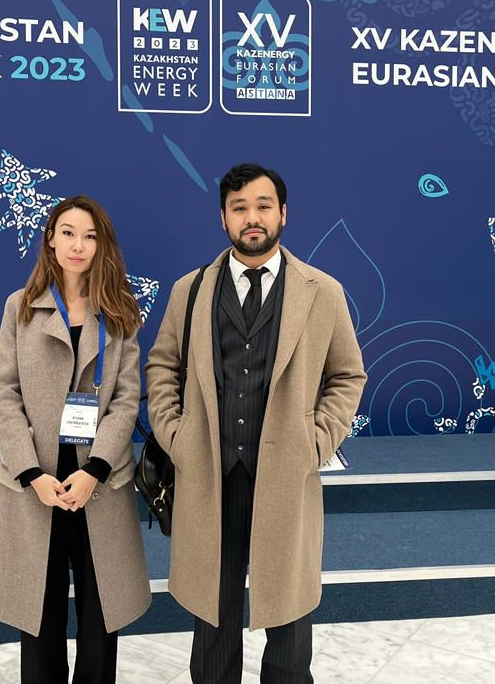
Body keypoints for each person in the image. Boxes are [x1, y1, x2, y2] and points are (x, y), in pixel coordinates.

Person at [146, 163, 367, 683]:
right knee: (213, 616)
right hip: (210, 475)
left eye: (263, 206)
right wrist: (177, 437)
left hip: (286, 475)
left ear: (283, 214)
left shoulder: (323, 291)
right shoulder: (190, 290)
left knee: (289, 615)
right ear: (222, 218)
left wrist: (315, 442)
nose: (252, 217)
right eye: (239, 207)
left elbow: (347, 375)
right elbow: (162, 366)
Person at [0, 195, 151, 684]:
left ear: (102, 245)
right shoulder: (21, 306)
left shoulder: (119, 311)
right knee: (40, 614)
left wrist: (95, 469)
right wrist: (30, 472)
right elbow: (4, 392)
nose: (79, 245)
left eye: (90, 236)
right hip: (38, 485)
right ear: (51, 240)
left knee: (101, 616)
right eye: (69, 233)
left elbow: (126, 398)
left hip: (98, 484)